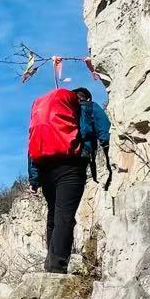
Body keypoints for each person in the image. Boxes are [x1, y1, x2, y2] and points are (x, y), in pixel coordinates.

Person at [27, 84, 111, 273]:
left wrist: (34, 180)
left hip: (46, 168)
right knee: (64, 217)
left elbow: (32, 147)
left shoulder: (45, 114)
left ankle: (50, 265)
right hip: (71, 166)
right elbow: (103, 128)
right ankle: (56, 269)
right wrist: (106, 147)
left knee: (53, 217)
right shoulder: (87, 107)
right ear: (85, 98)